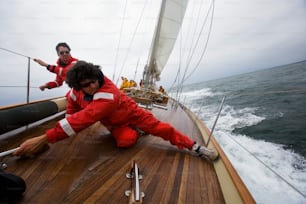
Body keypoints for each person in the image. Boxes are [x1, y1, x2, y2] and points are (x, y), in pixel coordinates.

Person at [13, 61, 218, 161]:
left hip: (131, 113)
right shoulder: (74, 94)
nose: (93, 86)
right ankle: (135, 132)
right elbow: (74, 111)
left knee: (161, 128)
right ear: (77, 86)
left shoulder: (108, 93)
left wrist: (44, 139)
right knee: (125, 142)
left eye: (94, 80)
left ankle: (195, 147)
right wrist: (66, 128)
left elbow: (86, 117)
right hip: (113, 124)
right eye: (86, 85)